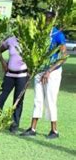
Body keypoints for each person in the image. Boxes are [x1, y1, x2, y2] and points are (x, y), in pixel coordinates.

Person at [20, 10, 67, 139]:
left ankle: (54, 131)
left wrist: (49, 71)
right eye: (44, 19)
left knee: (50, 100)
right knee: (38, 100)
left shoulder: (58, 34)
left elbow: (64, 56)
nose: (46, 21)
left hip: (53, 72)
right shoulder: (39, 34)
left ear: (52, 20)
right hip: (39, 71)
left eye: (48, 19)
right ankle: (32, 128)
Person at [0, 35, 28, 133]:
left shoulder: (30, 39)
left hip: (22, 76)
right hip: (9, 75)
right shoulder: (10, 40)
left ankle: (14, 126)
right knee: (0, 97)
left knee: (18, 101)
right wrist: (3, 63)